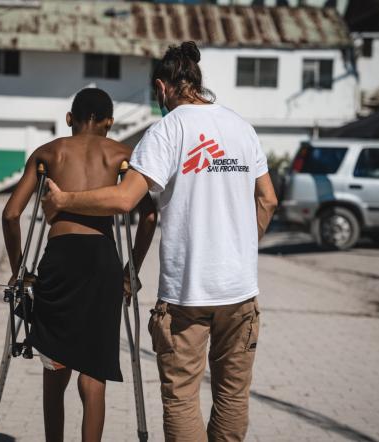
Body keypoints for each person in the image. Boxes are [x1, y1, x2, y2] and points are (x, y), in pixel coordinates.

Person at [43, 42, 278, 442]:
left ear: (162, 87)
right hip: (240, 291)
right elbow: (268, 199)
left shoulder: (167, 130)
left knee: (183, 398)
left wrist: (63, 200)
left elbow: (123, 199)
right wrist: (240, 247)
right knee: (232, 395)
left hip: (188, 294)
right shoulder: (242, 127)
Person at [1, 88, 157, 442]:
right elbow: (148, 218)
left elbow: (11, 214)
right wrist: (131, 270)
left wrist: (19, 270)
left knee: (55, 365)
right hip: (103, 261)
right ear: (109, 123)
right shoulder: (122, 154)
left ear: (70, 119)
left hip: (61, 260)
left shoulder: (49, 152)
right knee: (94, 371)